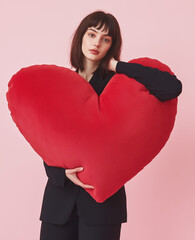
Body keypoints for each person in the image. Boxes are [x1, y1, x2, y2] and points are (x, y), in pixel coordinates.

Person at [39, 10, 182, 240]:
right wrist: (61, 173)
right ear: (81, 37)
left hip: (102, 207)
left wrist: (116, 65)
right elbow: (43, 139)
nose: (96, 43)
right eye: (92, 34)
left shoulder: (117, 86)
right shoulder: (61, 84)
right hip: (58, 202)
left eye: (106, 39)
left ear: (111, 46)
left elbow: (171, 87)